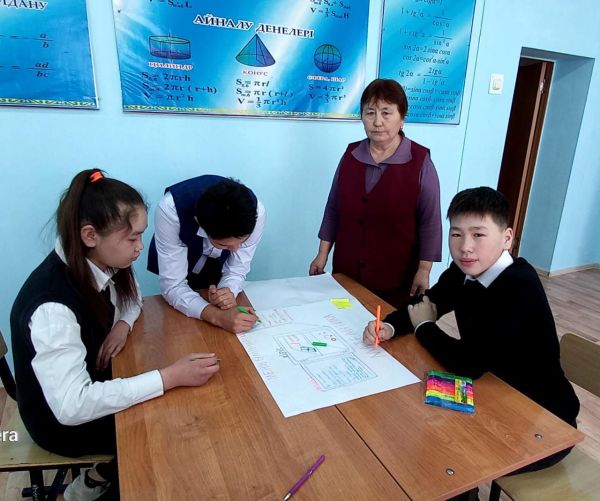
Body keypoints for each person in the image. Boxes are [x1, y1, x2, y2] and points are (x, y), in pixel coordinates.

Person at [10, 169, 220, 501]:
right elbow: (72, 406)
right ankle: (105, 484)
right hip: (59, 423)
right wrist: (168, 377)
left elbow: (132, 298)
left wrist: (122, 324)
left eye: (141, 236)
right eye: (132, 238)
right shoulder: (52, 307)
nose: (140, 247)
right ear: (90, 235)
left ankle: (101, 477)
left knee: (174, 398)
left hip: (94, 379)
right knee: (168, 426)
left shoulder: (100, 258)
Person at [363, 187, 580, 492]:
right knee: (422, 428)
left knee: (445, 452)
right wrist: (389, 326)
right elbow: (430, 302)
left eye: (478, 234)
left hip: (543, 421)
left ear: (506, 238)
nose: (465, 247)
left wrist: (424, 326)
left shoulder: (519, 286)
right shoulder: (463, 271)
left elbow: (468, 362)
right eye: (456, 234)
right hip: (495, 393)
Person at [309, 78, 442, 309]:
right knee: (344, 320)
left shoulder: (420, 161)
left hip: (395, 278)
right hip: (347, 272)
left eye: (386, 113)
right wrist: (322, 254)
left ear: (402, 117)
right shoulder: (351, 155)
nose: (377, 122)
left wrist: (424, 269)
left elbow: (430, 221)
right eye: (370, 113)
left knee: (386, 328)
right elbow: (333, 208)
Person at [147, 175, 265, 334]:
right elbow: (173, 286)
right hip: (182, 256)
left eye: (242, 242)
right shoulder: (170, 210)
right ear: (199, 222)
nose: (236, 250)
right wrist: (218, 317)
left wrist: (227, 292)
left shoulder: (256, 212)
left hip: (216, 265)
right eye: (224, 244)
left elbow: (237, 270)